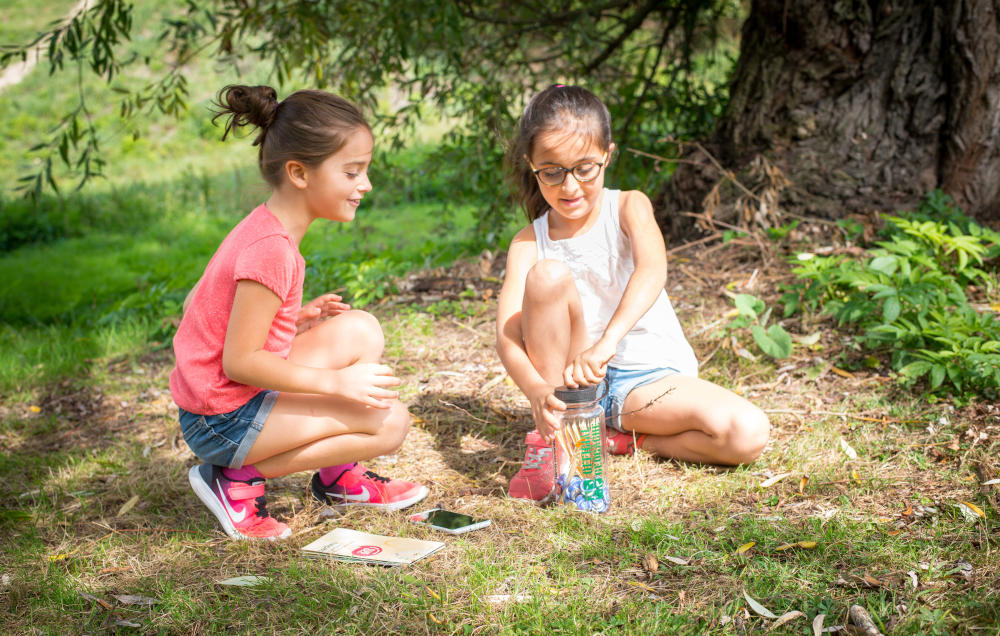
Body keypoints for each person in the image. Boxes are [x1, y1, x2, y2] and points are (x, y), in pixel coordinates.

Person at [170, 85, 428, 540]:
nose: (365, 185)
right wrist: (336, 384)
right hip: (222, 421)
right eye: (352, 172)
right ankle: (232, 480)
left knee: (361, 330)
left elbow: (201, 303)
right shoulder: (272, 249)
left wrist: (292, 318)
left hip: (229, 399)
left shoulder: (267, 227)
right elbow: (239, 361)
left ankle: (337, 477)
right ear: (299, 173)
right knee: (390, 423)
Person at [495, 85, 771, 503]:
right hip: (572, 390)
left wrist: (606, 344)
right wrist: (537, 391)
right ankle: (555, 447)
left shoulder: (628, 207)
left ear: (608, 154)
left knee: (747, 434)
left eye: (584, 168)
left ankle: (619, 442)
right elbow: (507, 335)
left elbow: (652, 269)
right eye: (551, 171)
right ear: (532, 165)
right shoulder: (528, 241)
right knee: (547, 276)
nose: (570, 186)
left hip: (646, 383)